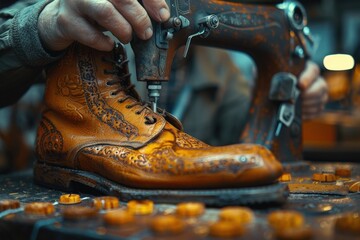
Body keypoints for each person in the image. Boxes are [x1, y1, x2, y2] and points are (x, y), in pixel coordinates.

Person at [0, 0, 327, 193]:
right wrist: (40, 27)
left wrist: (285, 99)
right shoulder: (88, 26)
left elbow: (240, 151)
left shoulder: (230, 77)